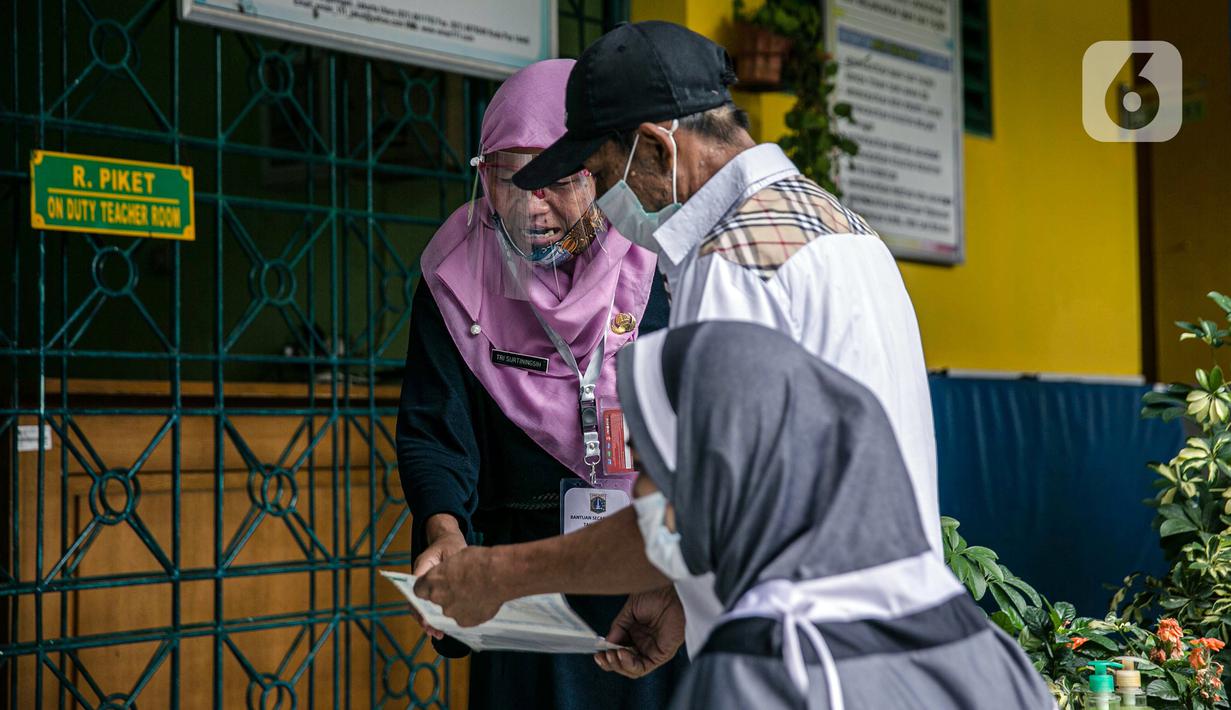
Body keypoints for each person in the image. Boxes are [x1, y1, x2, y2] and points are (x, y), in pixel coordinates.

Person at [412, 20, 940, 674]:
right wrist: (677, 595)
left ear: (656, 148)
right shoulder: (842, 228)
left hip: (799, 656)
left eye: (602, 175)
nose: (605, 203)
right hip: (888, 633)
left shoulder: (731, 265)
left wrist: (492, 575)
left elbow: (682, 523)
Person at [395, 58, 681, 709]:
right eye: (507, 178)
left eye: (556, 180)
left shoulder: (662, 267)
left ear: (601, 174)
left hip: (650, 573)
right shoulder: (455, 275)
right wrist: (444, 530)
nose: (531, 205)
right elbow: (436, 431)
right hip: (518, 583)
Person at [605, 320, 1055, 709]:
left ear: (717, 473)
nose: (639, 494)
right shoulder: (985, 645)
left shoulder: (758, 666)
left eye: (646, 466)